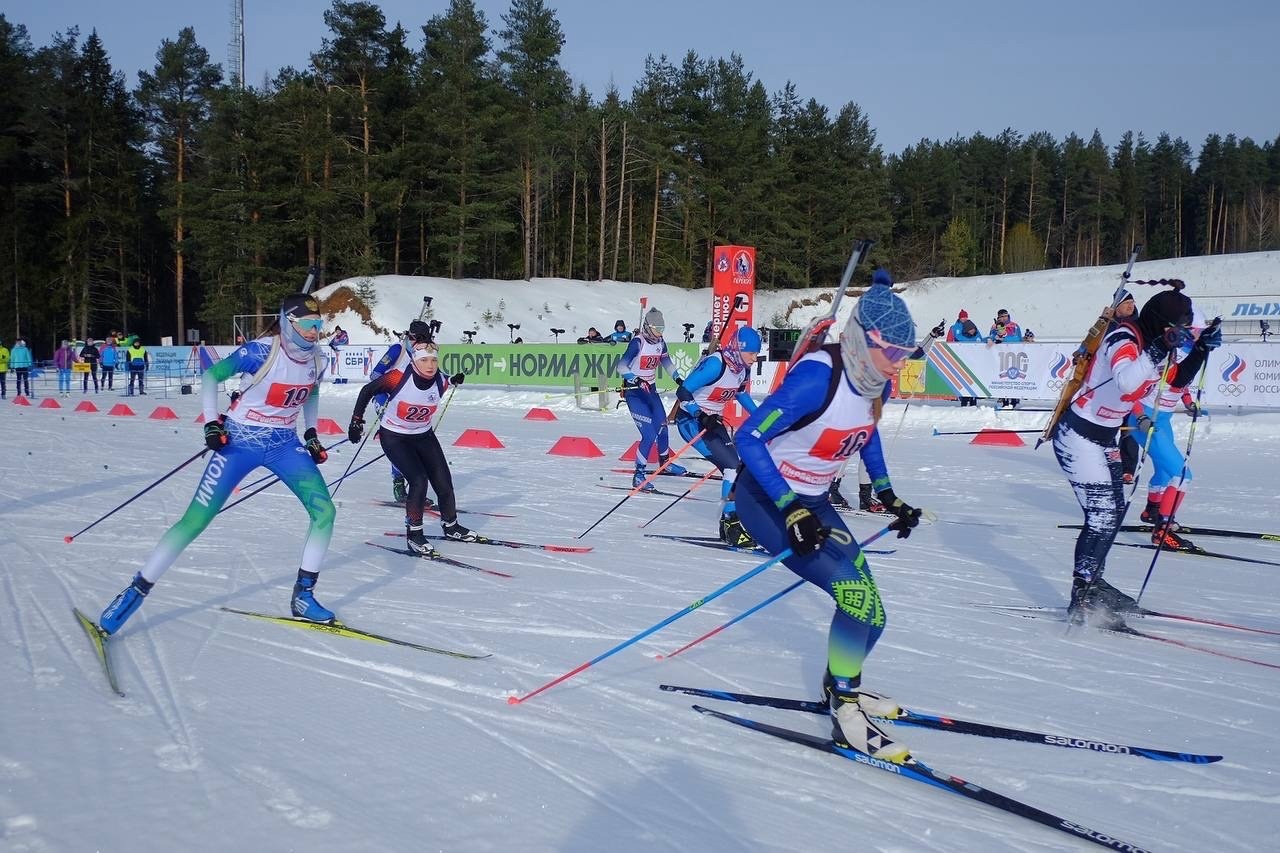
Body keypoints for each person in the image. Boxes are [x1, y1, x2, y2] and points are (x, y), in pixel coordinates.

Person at [733, 277, 923, 763]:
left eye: (906, 353)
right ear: (865, 341)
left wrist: (887, 495)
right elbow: (749, 437)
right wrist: (789, 506)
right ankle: (846, 711)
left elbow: (867, 434)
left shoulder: (871, 381)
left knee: (874, 613)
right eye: (892, 353)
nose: (898, 364)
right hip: (768, 500)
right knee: (856, 601)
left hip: (814, 504)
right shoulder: (819, 376)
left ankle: (841, 687)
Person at [95, 293, 338, 634]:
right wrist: (211, 422)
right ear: (287, 322)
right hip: (240, 442)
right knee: (195, 521)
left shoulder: (317, 359)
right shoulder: (260, 351)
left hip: (284, 443)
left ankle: (303, 596)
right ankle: (134, 592)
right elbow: (211, 376)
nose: (314, 332)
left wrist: (311, 433)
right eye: (308, 325)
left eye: (318, 324)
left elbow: (310, 392)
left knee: (325, 513)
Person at [1052, 289, 1203, 629]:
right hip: (1076, 435)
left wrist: (1201, 351)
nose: (1178, 338)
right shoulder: (1124, 335)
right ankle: (1083, 593)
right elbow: (1124, 382)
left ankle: (1095, 582)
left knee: (1114, 513)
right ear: (1162, 324)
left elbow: (1173, 383)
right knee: (1102, 516)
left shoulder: (1156, 345)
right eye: (1177, 330)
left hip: (1104, 438)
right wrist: (1159, 346)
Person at [348, 342, 473, 554]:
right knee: (418, 480)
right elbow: (368, 390)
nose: (430, 365)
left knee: (443, 481)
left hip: (423, 436)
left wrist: (453, 380)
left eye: (434, 360)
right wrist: (356, 420)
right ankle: (414, 535)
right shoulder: (398, 377)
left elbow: (444, 382)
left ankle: (451, 526)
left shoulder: (439, 380)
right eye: (424, 360)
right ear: (414, 361)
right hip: (395, 437)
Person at [1129, 310, 1221, 552]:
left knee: (1164, 471)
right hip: (1145, 419)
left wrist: (1189, 403)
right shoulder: (1166, 353)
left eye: (1200, 333)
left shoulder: (1188, 354)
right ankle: (1162, 531)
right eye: (1195, 332)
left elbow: (1183, 384)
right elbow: (1131, 390)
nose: (1196, 337)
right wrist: (1139, 416)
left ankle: (1152, 511)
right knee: (1181, 475)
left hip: (1163, 419)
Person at [674, 325, 762, 547]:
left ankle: (729, 522)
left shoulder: (743, 368)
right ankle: (731, 523)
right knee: (733, 466)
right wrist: (699, 414)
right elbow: (683, 391)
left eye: (756, 353)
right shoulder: (716, 364)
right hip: (691, 422)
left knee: (737, 468)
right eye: (751, 353)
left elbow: (741, 394)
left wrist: (762, 416)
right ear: (739, 349)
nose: (755, 358)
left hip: (713, 422)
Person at [618, 308, 686, 490]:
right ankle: (639, 475)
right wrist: (636, 379)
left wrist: (678, 379)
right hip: (635, 393)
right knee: (648, 435)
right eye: (657, 329)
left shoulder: (660, 342)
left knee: (663, 427)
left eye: (662, 330)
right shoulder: (637, 343)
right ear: (648, 327)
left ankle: (665, 464)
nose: (659, 333)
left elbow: (667, 363)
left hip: (651, 391)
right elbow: (621, 367)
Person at [369, 320, 435, 505]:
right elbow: (374, 375)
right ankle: (399, 485)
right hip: (386, 399)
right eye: (417, 339)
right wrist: (391, 389)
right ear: (410, 337)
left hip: (407, 405)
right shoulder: (397, 350)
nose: (420, 344)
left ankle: (411, 485)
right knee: (400, 443)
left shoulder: (422, 353)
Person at [946, 310, 982, 406]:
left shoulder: (972, 326)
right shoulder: (954, 328)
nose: (964, 319)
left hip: (972, 357)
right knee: (962, 377)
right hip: (960, 356)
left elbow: (979, 339)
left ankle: (973, 398)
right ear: (959, 317)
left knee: (972, 377)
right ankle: (964, 398)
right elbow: (949, 341)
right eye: (962, 317)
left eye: (965, 317)